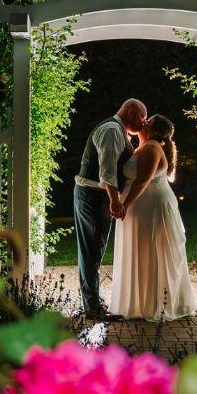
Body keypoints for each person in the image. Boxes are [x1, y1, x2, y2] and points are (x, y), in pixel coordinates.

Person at [108, 113, 195, 321]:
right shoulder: (143, 147)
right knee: (143, 250)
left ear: (154, 130)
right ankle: (137, 303)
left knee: (151, 250)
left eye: (149, 121)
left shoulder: (152, 148)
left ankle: (154, 304)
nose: (144, 121)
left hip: (150, 205)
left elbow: (142, 181)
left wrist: (124, 205)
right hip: (141, 205)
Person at [73, 98, 146, 319]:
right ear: (131, 111)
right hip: (94, 196)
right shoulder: (112, 130)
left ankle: (92, 303)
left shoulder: (119, 131)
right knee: (92, 251)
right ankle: (92, 307)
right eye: (142, 117)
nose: (143, 122)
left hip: (96, 196)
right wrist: (115, 200)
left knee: (94, 250)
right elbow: (107, 172)